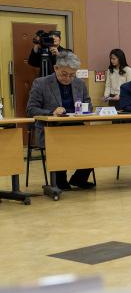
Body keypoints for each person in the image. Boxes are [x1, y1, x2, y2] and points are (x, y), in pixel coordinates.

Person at [25, 51, 94, 190]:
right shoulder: (41, 83)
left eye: (72, 75)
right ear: (56, 68)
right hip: (51, 128)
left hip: (76, 126)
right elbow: (31, 109)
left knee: (95, 142)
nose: (68, 78)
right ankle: (59, 180)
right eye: (64, 74)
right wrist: (52, 112)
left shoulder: (79, 83)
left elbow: (88, 104)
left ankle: (79, 179)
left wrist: (83, 109)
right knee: (59, 142)